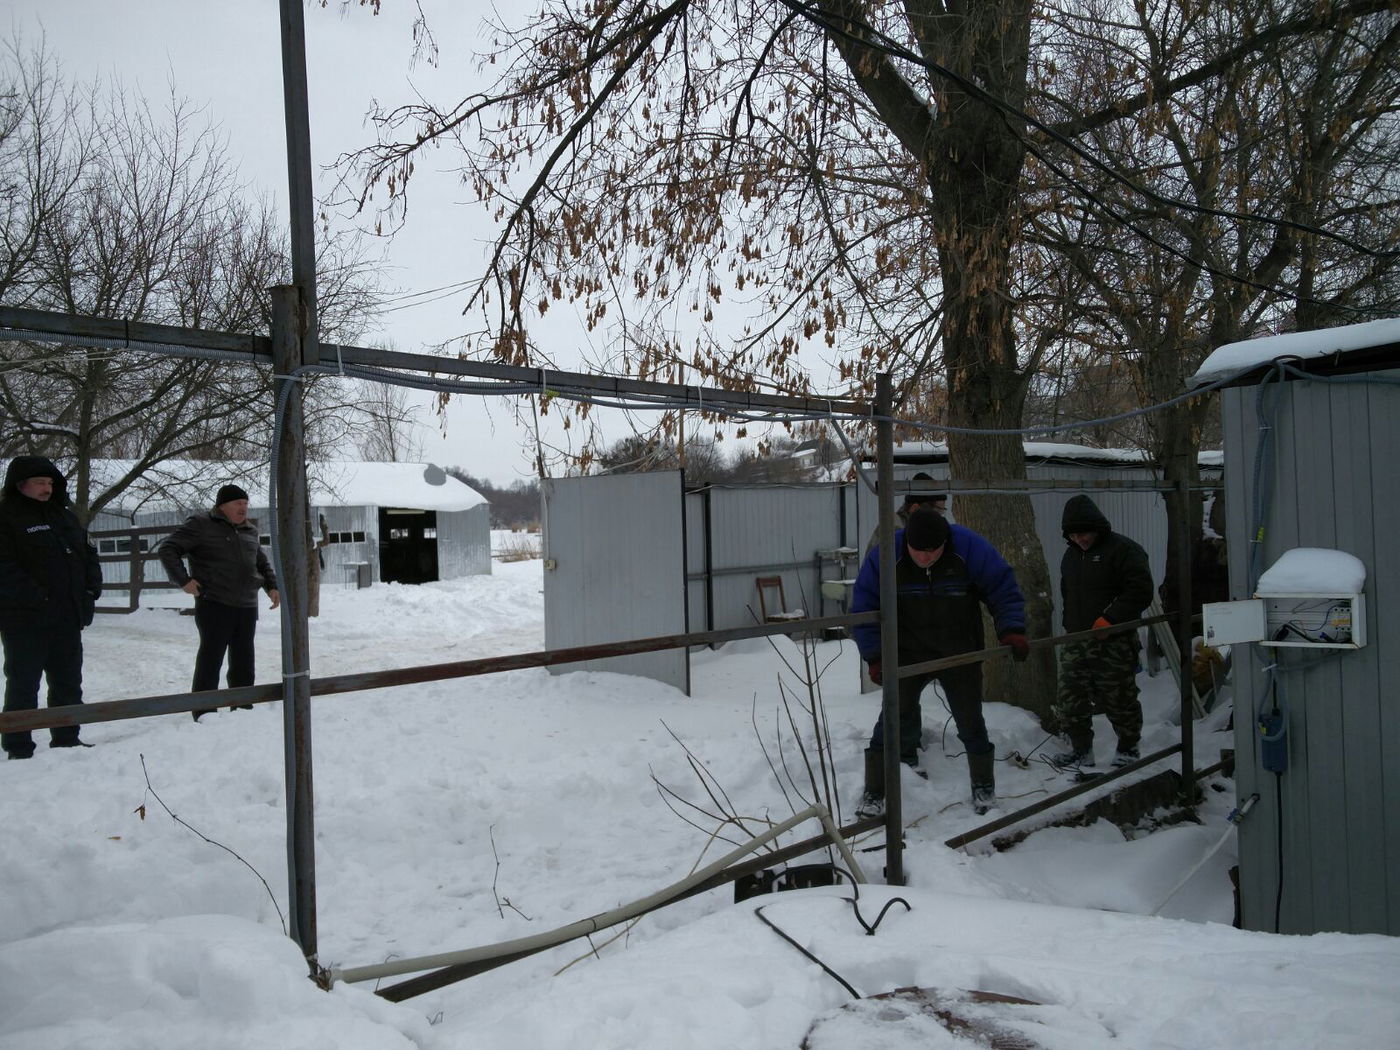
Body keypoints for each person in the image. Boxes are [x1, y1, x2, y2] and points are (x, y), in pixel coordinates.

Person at [850, 506, 1028, 817]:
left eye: (932, 552)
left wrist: (1011, 629)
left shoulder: (969, 547)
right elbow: (864, 606)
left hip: (959, 649)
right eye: (917, 551)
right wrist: (876, 656)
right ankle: (874, 791)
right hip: (905, 652)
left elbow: (1002, 587)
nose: (924, 558)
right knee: (893, 718)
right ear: (907, 543)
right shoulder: (885, 555)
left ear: (946, 542)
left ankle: (984, 788)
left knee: (970, 719)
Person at [0, 456, 103, 759]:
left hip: (68, 617)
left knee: (68, 681)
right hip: (25, 619)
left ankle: (67, 737)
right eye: (40, 483)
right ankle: (18, 746)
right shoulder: (7, 518)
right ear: (21, 485)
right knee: (23, 683)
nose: (47, 488)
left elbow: (89, 555)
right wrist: (37, 597)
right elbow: (4, 569)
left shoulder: (65, 517)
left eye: (50, 483)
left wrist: (90, 591)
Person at [1050, 495, 1155, 771]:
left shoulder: (1124, 550)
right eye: (1073, 534)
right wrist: (1069, 624)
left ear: (1096, 527)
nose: (1080, 539)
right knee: (1070, 697)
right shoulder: (1071, 555)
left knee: (1118, 696)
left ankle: (1128, 746)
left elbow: (1140, 591)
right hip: (1077, 638)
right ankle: (1081, 749)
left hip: (1115, 640)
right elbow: (1068, 592)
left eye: (1083, 533)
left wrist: (1110, 619)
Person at [158, 483, 279, 719]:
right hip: (215, 602)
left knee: (244, 660)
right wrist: (183, 580)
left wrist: (272, 586)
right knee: (211, 658)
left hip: (246, 604)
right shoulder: (201, 524)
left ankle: (242, 707)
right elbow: (168, 549)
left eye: (245, 503)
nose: (243, 508)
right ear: (222, 506)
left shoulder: (249, 531)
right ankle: (204, 710)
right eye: (238, 503)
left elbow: (261, 562)